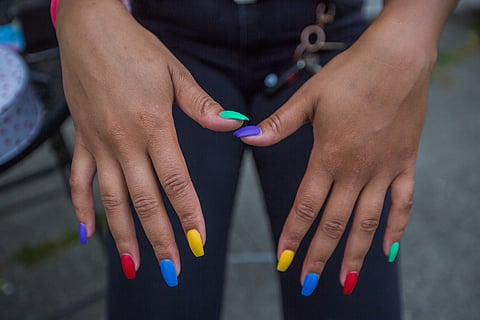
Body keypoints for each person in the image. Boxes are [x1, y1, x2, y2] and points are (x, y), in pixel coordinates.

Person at [54, 0, 457, 319]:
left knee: (346, 278)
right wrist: (81, 10)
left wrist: (412, 30)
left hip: (329, 36)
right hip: (156, 42)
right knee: (160, 290)